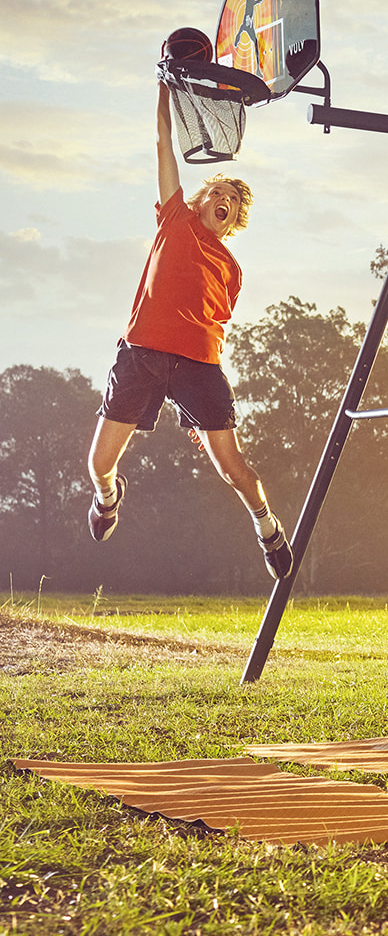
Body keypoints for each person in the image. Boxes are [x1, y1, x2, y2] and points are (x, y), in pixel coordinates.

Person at [85, 80, 293, 580]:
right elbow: (163, 142)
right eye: (216, 191)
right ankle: (109, 497)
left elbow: (216, 321)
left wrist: (199, 404)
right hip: (141, 355)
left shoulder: (233, 268)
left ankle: (268, 528)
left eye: (232, 202)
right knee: (97, 463)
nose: (222, 199)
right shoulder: (174, 218)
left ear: (234, 221)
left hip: (199, 365)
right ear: (200, 201)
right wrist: (164, 88)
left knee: (233, 469)